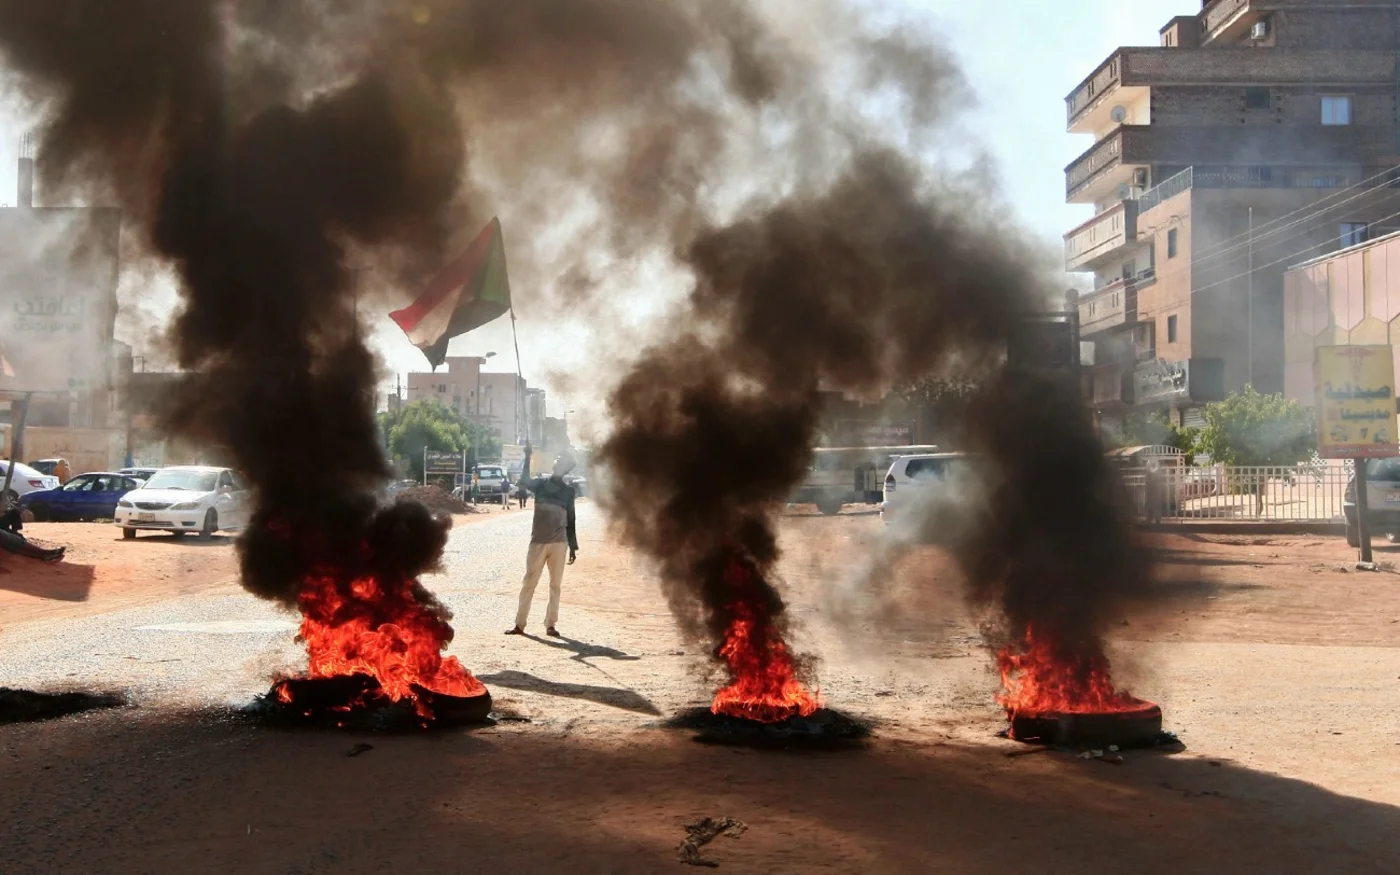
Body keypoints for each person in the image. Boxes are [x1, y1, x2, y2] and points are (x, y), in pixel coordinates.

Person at [505, 445, 578, 638]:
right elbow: (524, 481)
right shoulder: (540, 484)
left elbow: (571, 519)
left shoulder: (568, 492)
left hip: (559, 543)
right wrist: (527, 457)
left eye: (561, 462)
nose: (557, 463)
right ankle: (520, 625)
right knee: (529, 582)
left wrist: (573, 546)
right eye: (556, 461)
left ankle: (550, 625)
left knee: (555, 585)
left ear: (565, 469)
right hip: (537, 541)